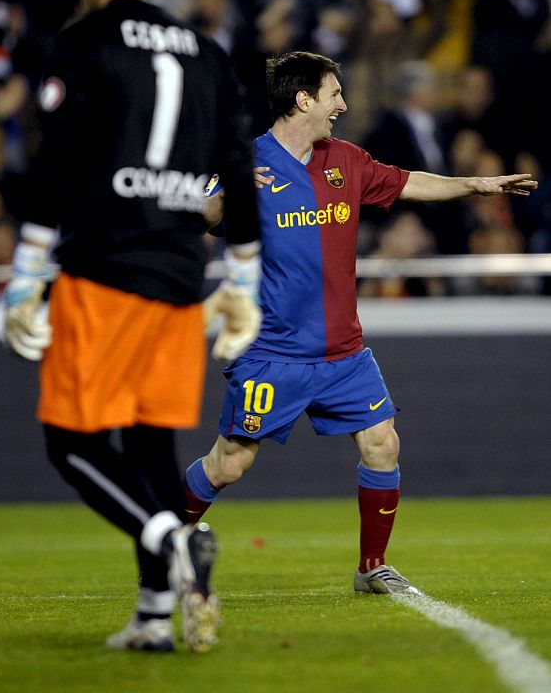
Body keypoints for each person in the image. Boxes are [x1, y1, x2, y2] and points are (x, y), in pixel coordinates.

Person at [3, 0, 261, 654]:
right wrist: (241, 275)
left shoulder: (84, 41)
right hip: (182, 278)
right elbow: (238, 170)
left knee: (70, 442)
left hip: (105, 268)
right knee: (150, 447)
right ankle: (154, 612)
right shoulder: (207, 50)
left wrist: (25, 275)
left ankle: (175, 545)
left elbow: (58, 162)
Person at [183, 50, 536, 596]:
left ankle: (372, 566)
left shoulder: (345, 160)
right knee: (229, 463)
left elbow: (409, 181)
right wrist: (230, 187)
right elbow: (199, 215)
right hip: (273, 352)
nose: (343, 104)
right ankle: (163, 542)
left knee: (383, 444)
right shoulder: (246, 162)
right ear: (303, 100)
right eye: (333, 94)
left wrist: (477, 185)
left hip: (345, 353)